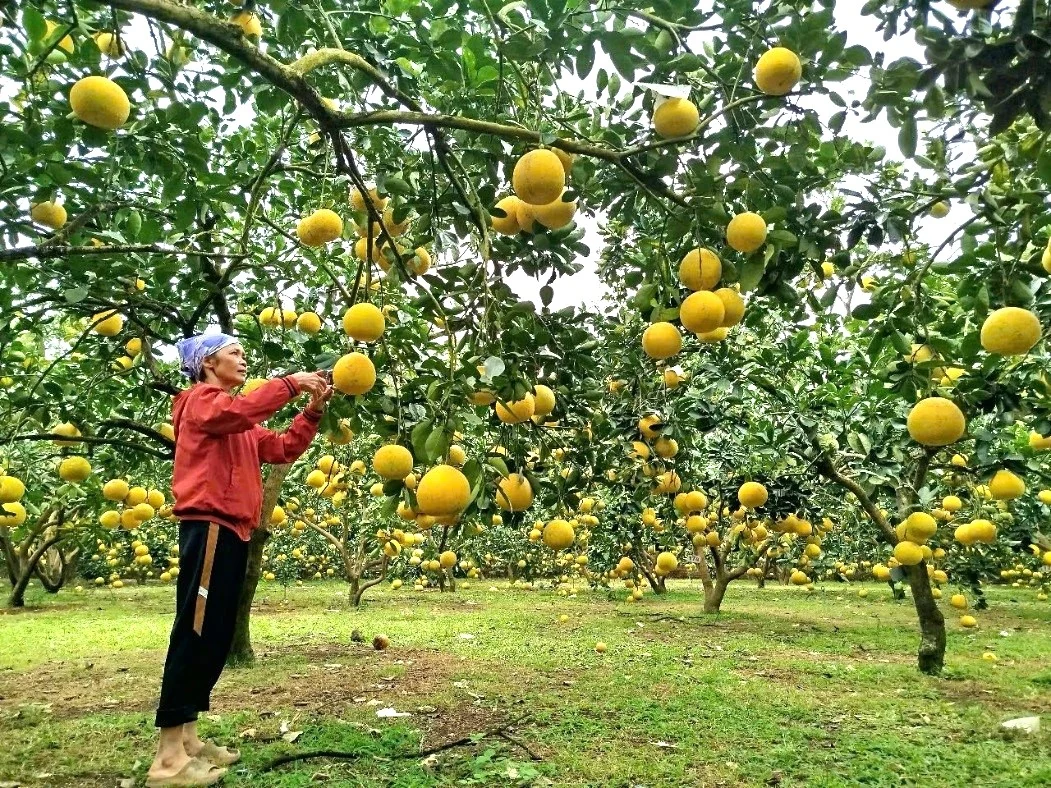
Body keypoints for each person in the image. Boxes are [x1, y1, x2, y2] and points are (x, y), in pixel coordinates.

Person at [146, 333, 332, 788]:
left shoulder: (236, 421)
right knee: (195, 630)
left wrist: (312, 412)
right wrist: (290, 384)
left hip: (232, 530)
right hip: (208, 524)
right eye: (236, 354)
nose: (244, 361)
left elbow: (283, 448)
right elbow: (241, 409)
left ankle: (188, 740)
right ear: (208, 363)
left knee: (213, 634)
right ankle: (167, 758)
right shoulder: (199, 402)